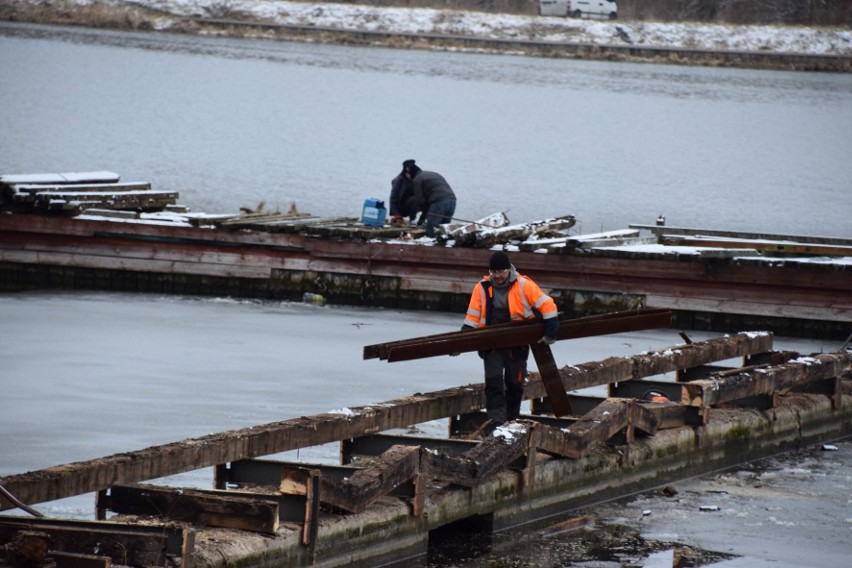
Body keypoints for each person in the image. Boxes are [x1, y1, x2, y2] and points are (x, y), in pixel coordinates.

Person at [460, 251, 559, 430]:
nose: (497, 276)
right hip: (491, 344)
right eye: (493, 272)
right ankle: (496, 423)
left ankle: (512, 421)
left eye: (501, 271)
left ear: (509, 270)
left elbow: (547, 305)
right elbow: (472, 317)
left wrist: (551, 331)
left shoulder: (524, 285)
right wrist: (460, 341)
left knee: (515, 384)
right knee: (494, 383)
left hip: (517, 342)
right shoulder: (481, 287)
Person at [396, 159, 456, 237]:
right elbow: (427, 204)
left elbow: (420, 201)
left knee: (431, 228)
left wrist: (420, 220)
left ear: (409, 174)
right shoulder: (433, 174)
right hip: (452, 200)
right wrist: (423, 218)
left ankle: (430, 246)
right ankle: (444, 245)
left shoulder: (417, 180)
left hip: (439, 202)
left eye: (406, 175)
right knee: (444, 228)